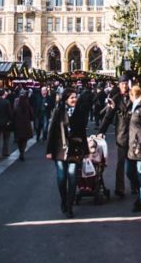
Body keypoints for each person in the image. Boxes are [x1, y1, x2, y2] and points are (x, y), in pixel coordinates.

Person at [45, 89, 88, 218]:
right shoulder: (58, 112)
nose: (74, 100)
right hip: (59, 149)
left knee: (73, 177)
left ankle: (69, 206)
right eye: (72, 98)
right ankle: (64, 200)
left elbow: (82, 132)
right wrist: (48, 151)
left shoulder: (80, 112)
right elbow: (51, 131)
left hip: (74, 150)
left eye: (75, 97)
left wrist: (86, 150)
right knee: (61, 178)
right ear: (65, 99)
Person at [98, 75, 134, 198]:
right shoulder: (116, 99)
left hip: (134, 135)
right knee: (121, 163)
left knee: (132, 165)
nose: (124, 86)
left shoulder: (133, 97)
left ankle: (135, 185)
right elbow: (108, 117)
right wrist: (101, 131)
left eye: (126, 83)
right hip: (121, 135)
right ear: (119, 85)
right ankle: (120, 188)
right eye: (122, 84)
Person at [12, 88, 35, 161]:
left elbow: (13, 115)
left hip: (18, 125)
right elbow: (32, 115)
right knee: (24, 140)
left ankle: (20, 151)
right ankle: (22, 153)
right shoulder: (27, 106)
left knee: (19, 140)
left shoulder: (17, 107)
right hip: (26, 125)